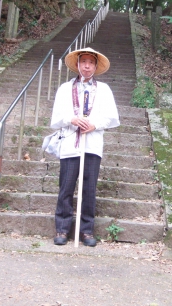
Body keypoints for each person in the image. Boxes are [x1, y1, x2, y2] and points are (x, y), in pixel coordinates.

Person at [50, 47, 120, 246]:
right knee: (66, 187)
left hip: (92, 144)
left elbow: (112, 117)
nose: (87, 66)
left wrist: (94, 124)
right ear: (78, 65)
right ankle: (62, 229)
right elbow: (56, 118)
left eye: (91, 62)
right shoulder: (65, 89)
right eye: (83, 62)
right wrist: (72, 119)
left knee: (89, 189)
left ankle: (86, 230)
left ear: (96, 66)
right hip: (70, 144)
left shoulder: (104, 89)